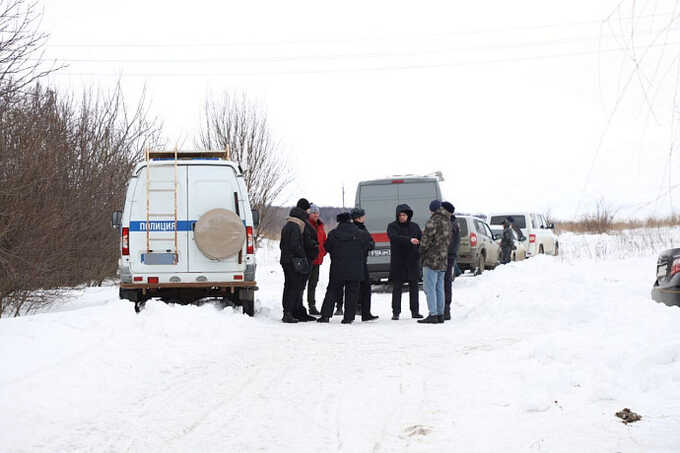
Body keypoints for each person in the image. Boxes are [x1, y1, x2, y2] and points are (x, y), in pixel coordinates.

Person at [317, 213, 365, 324]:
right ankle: (348, 317)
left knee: (332, 291)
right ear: (350, 220)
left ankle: (325, 316)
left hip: (337, 268)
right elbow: (369, 245)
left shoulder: (333, 234)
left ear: (339, 221)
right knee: (352, 292)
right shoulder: (360, 233)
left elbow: (327, 247)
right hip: (355, 268)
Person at [418, 200, 451, 324]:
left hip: (431, 259)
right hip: (443, 259)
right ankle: (441, 314)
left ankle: (433, 314)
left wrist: (420, 251)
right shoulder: (448, 221)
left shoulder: (433, 221)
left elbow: (425, 241)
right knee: (439, 287)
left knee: (429, 288)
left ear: (432, 209)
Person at [387, 204, 423, 320]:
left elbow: (421, 239)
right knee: (397, 287)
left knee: (414, 287)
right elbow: (394, 238)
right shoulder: (392, 226)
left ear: (408, 215)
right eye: (400, 215)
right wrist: (409, 240)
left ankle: (415, 311)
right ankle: (396, 312)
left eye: (404, 215)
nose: (402, 217)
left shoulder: (415, 226)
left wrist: (419, 247)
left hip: (412, 261)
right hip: (398, 262)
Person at [279, 206, 310, 323]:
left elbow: (282, 245)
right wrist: (303, 255)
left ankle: (287, 312)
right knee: (293, 287)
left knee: (288, 286)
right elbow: (295, 245)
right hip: (293, 261)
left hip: (285, 260)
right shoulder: (296, 227)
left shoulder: (287, 226)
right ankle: (289, 313)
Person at [292, 198, 319, 321]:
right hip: (304, 258)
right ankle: (297, 310)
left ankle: (300, 309)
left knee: (306, 284)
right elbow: (305, 241)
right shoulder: (301, 223)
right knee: (299, 286)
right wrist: (313, 249)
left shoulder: (305, 222)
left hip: (310, 258)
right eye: (310, 210)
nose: (312, 213)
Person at [352, 207, 378, 321]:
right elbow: (370, 243)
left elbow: (371, 242)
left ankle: (362, 312)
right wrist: (367, 246)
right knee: (365, 288)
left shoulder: (356, 227)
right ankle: (365, 313)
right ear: (358, 218)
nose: (364, 217)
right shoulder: (359, 229)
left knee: (358, 288)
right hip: (360, 262)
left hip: (358, 262)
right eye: (363, 216)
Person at [305, 203, 326, 315]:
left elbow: (324, 241)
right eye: (314, 213)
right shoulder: (307, 225)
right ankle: (298, 305)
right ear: (309, 214)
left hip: (318, 260)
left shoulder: (321, 226)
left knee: (313, 283)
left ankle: (312, 305)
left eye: (317, 213)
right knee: (303, 284)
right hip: (308, 259)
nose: (316, 215)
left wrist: (323, 252)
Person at [441, 201, 460, 321]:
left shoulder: (450, 224)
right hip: (449, 256)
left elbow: (447, 243)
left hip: (447, 256)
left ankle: (445, 310)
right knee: (445, 282)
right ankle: (445, 309)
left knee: (445, 282)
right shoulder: (453, 222)